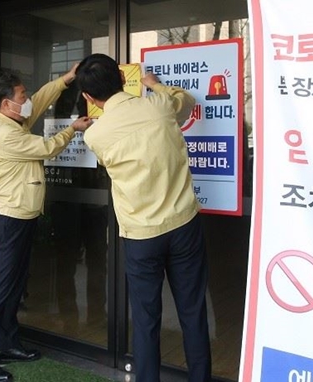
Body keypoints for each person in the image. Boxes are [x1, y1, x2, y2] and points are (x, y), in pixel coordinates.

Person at [76, 54, 212, 382]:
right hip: (183, 225)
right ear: (125, 79)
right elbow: (187, 100)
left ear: (88, 98)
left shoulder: (95, 135)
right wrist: (155, 85)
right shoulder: (160, 105)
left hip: (140, 236)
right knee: (193, 312)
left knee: (146, 320)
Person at [0, 65, 93, 382]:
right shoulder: (6, 134)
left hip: (21, 217)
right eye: (21, 96)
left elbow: (39, 100)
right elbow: (47, 148)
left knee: (14, 285)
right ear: (6, 103)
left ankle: (8, 343)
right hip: (7, 220)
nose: (27, 100)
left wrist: (67, 79)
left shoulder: (15, 117)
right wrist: (72, 129)